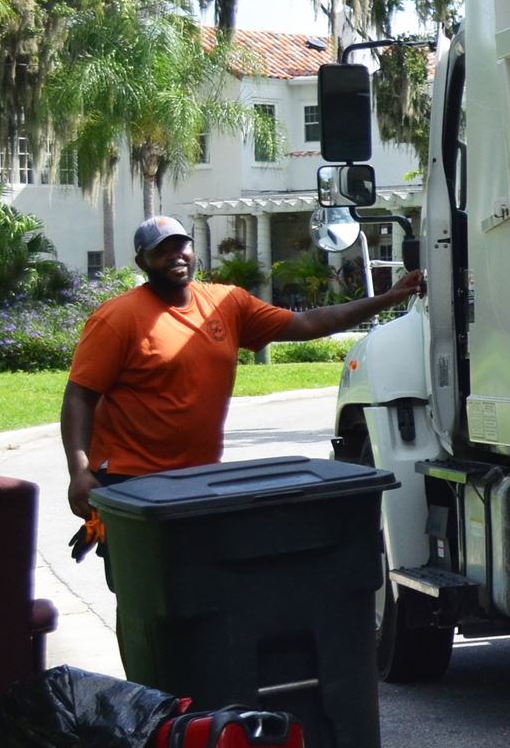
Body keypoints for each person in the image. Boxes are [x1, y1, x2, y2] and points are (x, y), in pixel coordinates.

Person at [61, 216, 426, 528]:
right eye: (161, 250)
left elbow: (307, 322)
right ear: (142, 262)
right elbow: (80, 395)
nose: (176, 256)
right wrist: (80, 471)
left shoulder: (226, 302)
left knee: (193, 589)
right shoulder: (117, 318)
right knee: (142, 591)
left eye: (181, 246)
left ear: (193, 250)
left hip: (200, 478)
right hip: (131, 479)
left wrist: (388, 298)